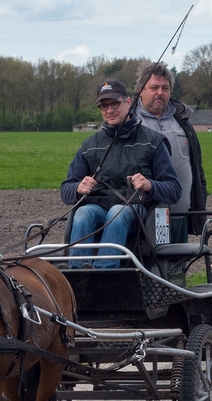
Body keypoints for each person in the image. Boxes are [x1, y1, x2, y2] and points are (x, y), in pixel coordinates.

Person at [60, 79, 180, 268]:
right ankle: (77, 275)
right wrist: (78, 188)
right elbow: (66, 190)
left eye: (115, 104)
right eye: (104, 106)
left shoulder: (153, 141)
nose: (110, 110)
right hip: (97, 211)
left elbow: (174, 189)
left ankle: (106, 275)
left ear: (128, 102)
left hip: (138, 217)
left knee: (117, 212)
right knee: (83, 212)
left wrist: (150, 185)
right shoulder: (88, 146)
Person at [133, 62, 207, 231]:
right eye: (154, 87)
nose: (160, 93)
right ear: (140, 89)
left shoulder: (182, 120)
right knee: (150, 258)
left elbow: (196, 168)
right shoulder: (130, 121)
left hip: (181, 214)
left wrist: (199, 205)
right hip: (144, 217)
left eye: (165, 88)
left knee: (180, 257)